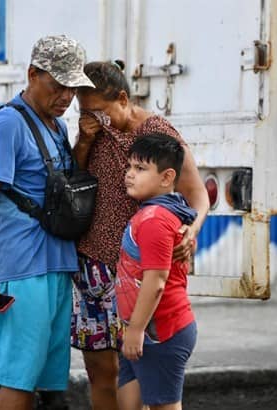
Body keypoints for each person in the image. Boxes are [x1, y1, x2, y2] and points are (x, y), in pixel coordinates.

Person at [0, 35, 95, 410]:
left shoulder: (56, 126)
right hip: (24, 269)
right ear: (33, 74)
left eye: (72, 88)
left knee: (47, 381)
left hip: (58, 265)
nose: (66, 97)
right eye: (58, 85)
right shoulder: (7, 124)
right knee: (19, 380)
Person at [71, 61, 209, 409]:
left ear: (121, 98)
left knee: (144, 370)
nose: (92, 119)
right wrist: (85, 139)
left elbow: (198, 195)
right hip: (95, 265)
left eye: (98, 112)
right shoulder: (92, 132)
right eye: (84, 112)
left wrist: (190, 232)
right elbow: (74, 180)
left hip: (136, 272)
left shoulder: (156, 132)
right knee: (104, 372)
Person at [116, 133, 198, 410]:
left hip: (160, 332)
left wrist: (136, 330)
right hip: (139, 331)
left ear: (166, 178)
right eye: (129, 167)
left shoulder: (154, 219)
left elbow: (157, 281)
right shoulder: (152, 213)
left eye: (140, 169)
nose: (129, 174)